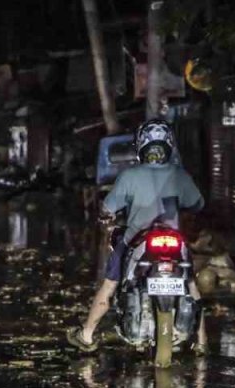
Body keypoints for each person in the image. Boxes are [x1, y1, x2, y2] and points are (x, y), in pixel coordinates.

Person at [67, 119, 207, 354]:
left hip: (137, 239)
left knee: (110, 284)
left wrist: (105, 217)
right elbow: (198, 204)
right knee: (191, 284)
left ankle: (87, 335)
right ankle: (202, 342)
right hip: (174, 241)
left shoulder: (129, 176)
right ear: (169, 145)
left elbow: (108, 208)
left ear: (141, 146)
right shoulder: (180, 175)